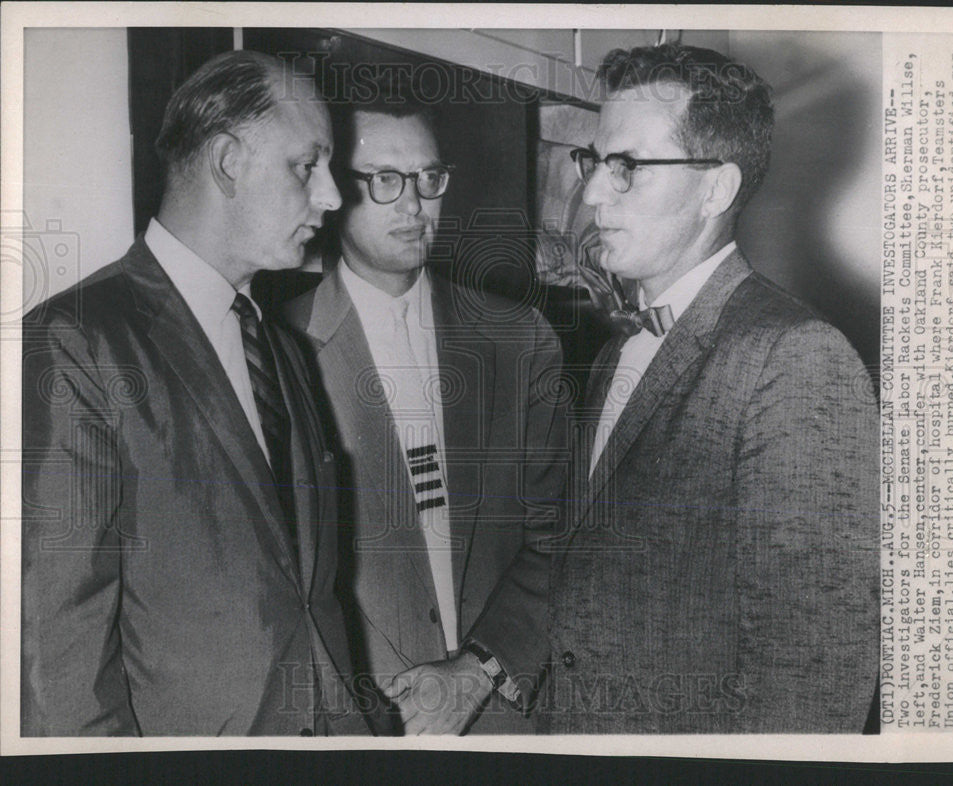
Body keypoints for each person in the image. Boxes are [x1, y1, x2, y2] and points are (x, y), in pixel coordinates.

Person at [21, 50, 370, 736]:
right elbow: (59, 652)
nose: (331, 196)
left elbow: (306, 598)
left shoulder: (281, 347)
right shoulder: (79, 340)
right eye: (307, 165)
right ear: (229, 161)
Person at [539, 43, 879, 733]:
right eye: (593, 162)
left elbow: (814, 679)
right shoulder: (616, 353)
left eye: (627, 167)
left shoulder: (796, 358)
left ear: (715, 190)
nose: (593, 193)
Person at [283, 75, 567, 735]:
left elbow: (564, 535)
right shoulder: (278, 349)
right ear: (330, 188)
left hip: (503, 711)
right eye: (384, 178)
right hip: (355, 722)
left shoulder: (518, 337)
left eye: (426, 176)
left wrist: (476, 669)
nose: (412, 204)